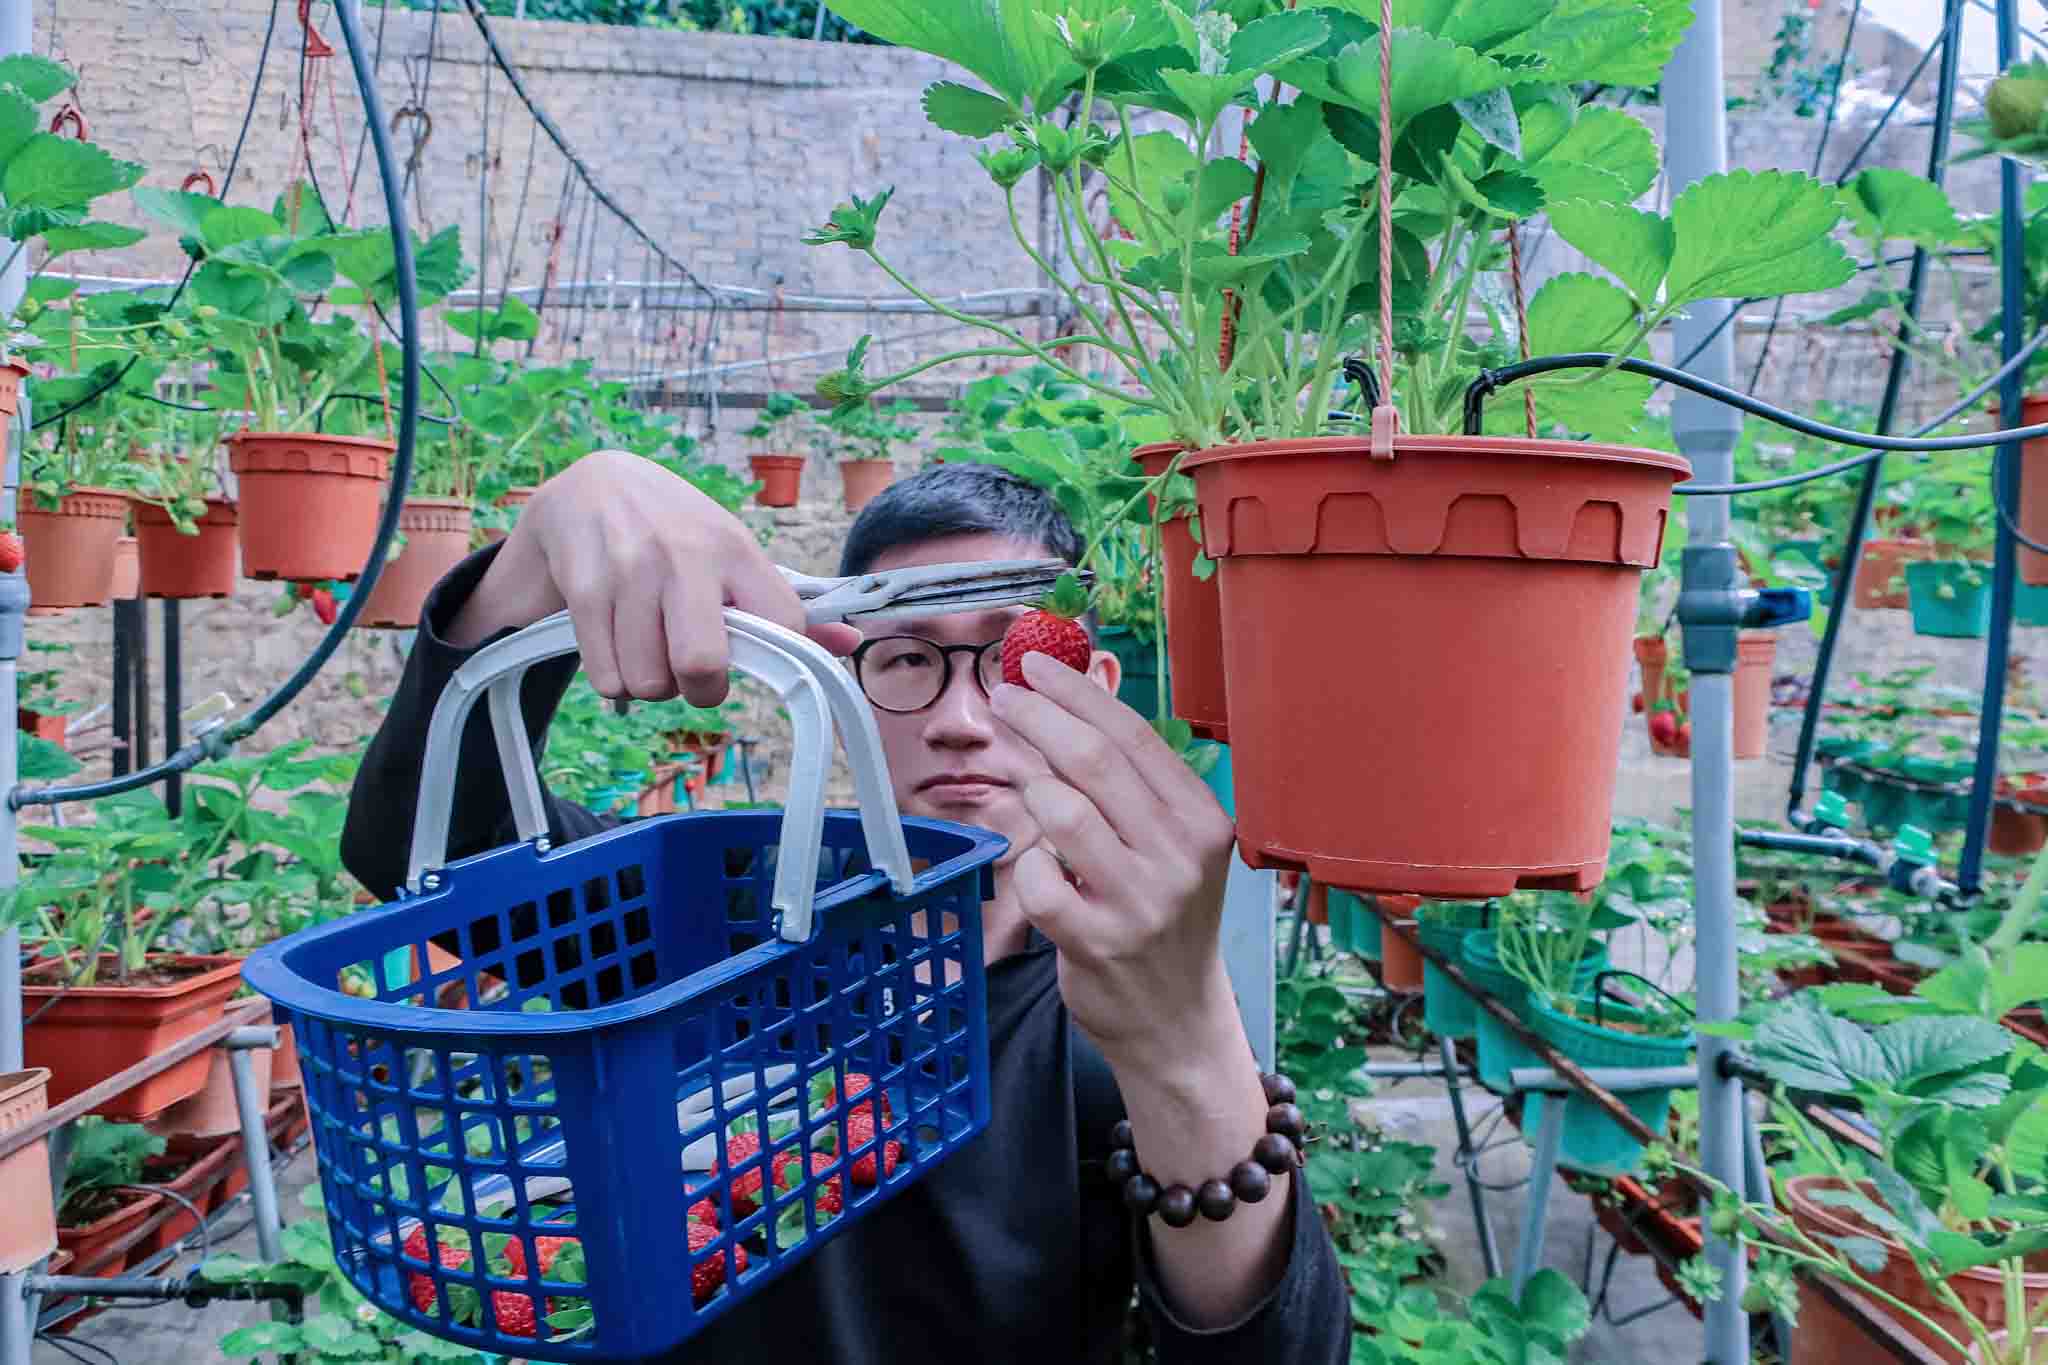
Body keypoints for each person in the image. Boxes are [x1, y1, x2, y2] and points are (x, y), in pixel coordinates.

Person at [341, 448, 1350, 1362]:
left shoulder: (1115, 1005)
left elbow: (1273, 1354)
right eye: (906, 659)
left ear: (1094, 683)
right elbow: (424, 855)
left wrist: (1182, 1049)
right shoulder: (727, 921)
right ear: (841, 681)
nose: (959, 720)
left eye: (1011, 660)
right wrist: (527, 570)